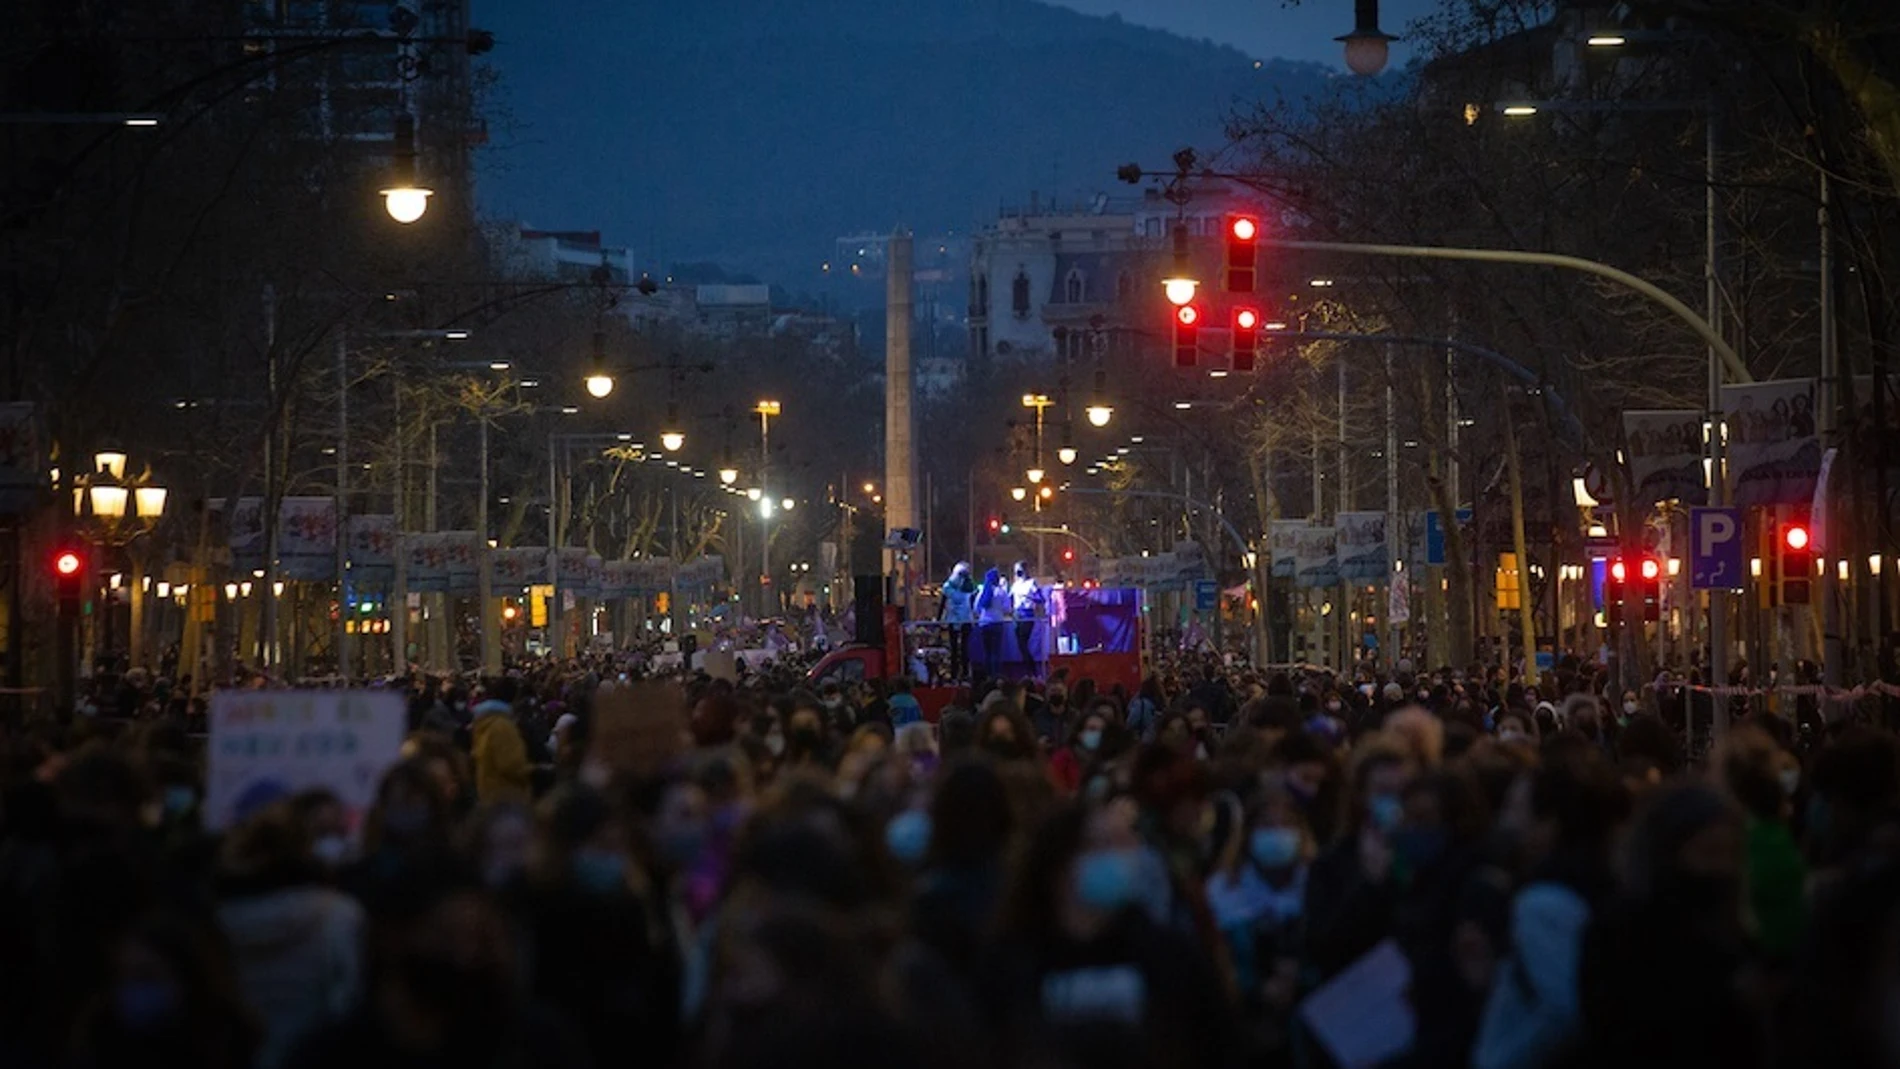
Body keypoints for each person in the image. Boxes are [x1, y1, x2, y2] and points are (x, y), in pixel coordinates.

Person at [939, 562, 979, 682]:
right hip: (966, 619)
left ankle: (954, 674)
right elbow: (973, 603)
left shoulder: (947, 587)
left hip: (953, 619)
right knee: (964, 648)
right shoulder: (969, 588)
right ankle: (965, 673)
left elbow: (942, 604)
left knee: (954, 648)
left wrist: (939, 619)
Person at [1009, 561, 1045, 673]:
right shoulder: (1015, 584)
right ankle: (1028, 670)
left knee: (1023, 643)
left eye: (1020, 571)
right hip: (1017, 614)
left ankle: (1032, 670)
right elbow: (1009, 598)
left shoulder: (1031, 583)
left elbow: (1041, 598)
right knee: (1020, 644)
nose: (1018, 573)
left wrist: (1029, 597)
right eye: (1016, 571)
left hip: (1027, 614)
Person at [977, 567, 1012, 682]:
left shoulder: (983, 591)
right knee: (996, 652)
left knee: (987, 652)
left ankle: (987, 677)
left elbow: (976, 608)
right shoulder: (1001, 592)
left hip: (984, 624)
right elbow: (1007, 609)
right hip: (997, 623)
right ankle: (996, 677)